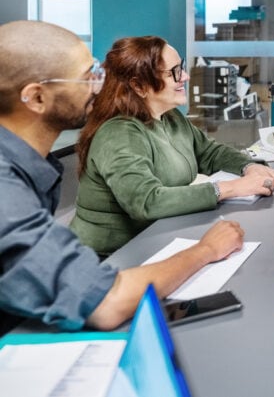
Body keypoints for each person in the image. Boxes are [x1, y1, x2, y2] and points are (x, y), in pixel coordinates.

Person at [0, 20, 245, 334]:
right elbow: (106, 302)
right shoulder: (6, 190)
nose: (99, 86)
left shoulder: (29, 165)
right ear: (36, 98)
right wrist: (207, 250)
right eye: (88, 77)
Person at [70, 36, 274, 257]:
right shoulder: (119, 133)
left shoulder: (169, 117)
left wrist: (248, 167)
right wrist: (232, 188)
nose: (186, 76)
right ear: (139, 85)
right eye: (174, 72)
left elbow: (209, 153)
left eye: (181, 67)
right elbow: (147, 202)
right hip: (109, 258)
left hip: (155, 240)